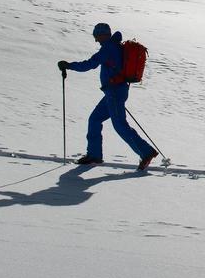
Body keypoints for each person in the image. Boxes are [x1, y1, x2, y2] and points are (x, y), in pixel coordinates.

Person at [59, 22, 158, 171]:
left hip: (114, 92)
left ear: (103, 35)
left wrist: (69, 65)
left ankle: (146, 152)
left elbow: (89, 64)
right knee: (95, 119)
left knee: (120, 125)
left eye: (97, 36)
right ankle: (94, 155)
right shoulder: (115, 46)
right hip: (114, 91)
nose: (96, 40)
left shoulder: (108, 49)